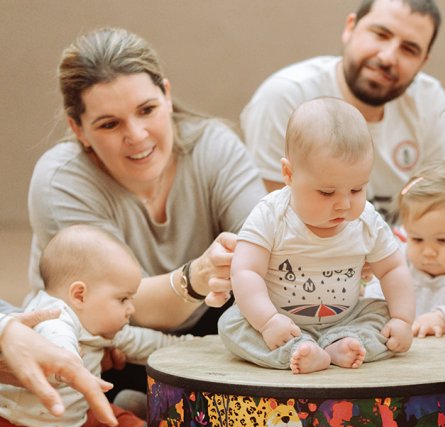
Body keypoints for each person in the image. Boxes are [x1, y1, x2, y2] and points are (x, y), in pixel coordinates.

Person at [27, 27, 266, 396]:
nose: (136, 135)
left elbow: (267, 251)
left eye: (147, 110)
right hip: (104, 347)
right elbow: (126, 306)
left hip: (201, 329)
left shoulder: (214, 147)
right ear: (79, 129)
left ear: (167, 96)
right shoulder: (60, 180)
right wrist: (199, 275)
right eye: (110, 124)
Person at [218, 97, 415, 374]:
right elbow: (246, 271)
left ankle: (343, 343)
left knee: (382, 314)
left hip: (347, 317)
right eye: (326, 192)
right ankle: (298, 349)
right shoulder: (271, 215)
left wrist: (403, 320)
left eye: (357, 189)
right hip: (281, 322)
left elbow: (393, 268)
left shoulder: (367, 221)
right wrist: (267, 321)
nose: (344, 204)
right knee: (232, 324)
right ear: (289, 173)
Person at [240, 0, 445, 221]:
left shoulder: (430, 102)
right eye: (380, 34)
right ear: (350, 28)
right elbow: (279, 221)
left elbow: (440, 212)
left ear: (423, 62)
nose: (387, 58)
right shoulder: (287, 96)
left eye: (409, 49)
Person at [0, 225, 195, 427]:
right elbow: (58, 344)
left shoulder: (98, 326)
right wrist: (68, 363)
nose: (131, 309)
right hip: (19, 426)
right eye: (123, 299)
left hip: (75, 417)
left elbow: (147, 343)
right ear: (79, 295)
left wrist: (192, 346)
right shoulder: (54, 317)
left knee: (106, 418)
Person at [365, 159, 445, 336]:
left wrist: (443, 318)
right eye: (417, 239)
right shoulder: (400, 258)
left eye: (442, 240)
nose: (428, 252)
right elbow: (376, 292)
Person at [0, 305, 117, 425]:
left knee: (119, 419)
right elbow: (57, 333)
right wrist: (69, 361)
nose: (128, 309)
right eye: (122, 300)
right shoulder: (58, 312)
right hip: (23, 423)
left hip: (78, 414)